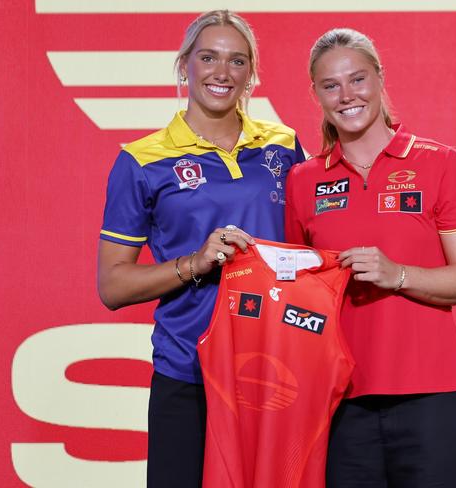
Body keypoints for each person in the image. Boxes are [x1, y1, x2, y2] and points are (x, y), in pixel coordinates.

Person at [97, 10, 305, 487]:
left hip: (275, 370)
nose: (222, 72)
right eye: (208, 57)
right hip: (187, 371)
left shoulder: (284, 145)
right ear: (184, 65)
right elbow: (112, 285)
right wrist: (196, 262)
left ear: (251, 73)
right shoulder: (142, 160)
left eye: (237, 61)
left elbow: (312, 243)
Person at [285, 28, 456, 488]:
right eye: (330, 85)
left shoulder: (441, 163)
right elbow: (296, 290)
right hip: (339, 402)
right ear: (315, 93)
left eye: (357, 79)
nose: (346, 95)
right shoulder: (302, 180)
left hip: (431, 398)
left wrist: (397, 274)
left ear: (379, 79)